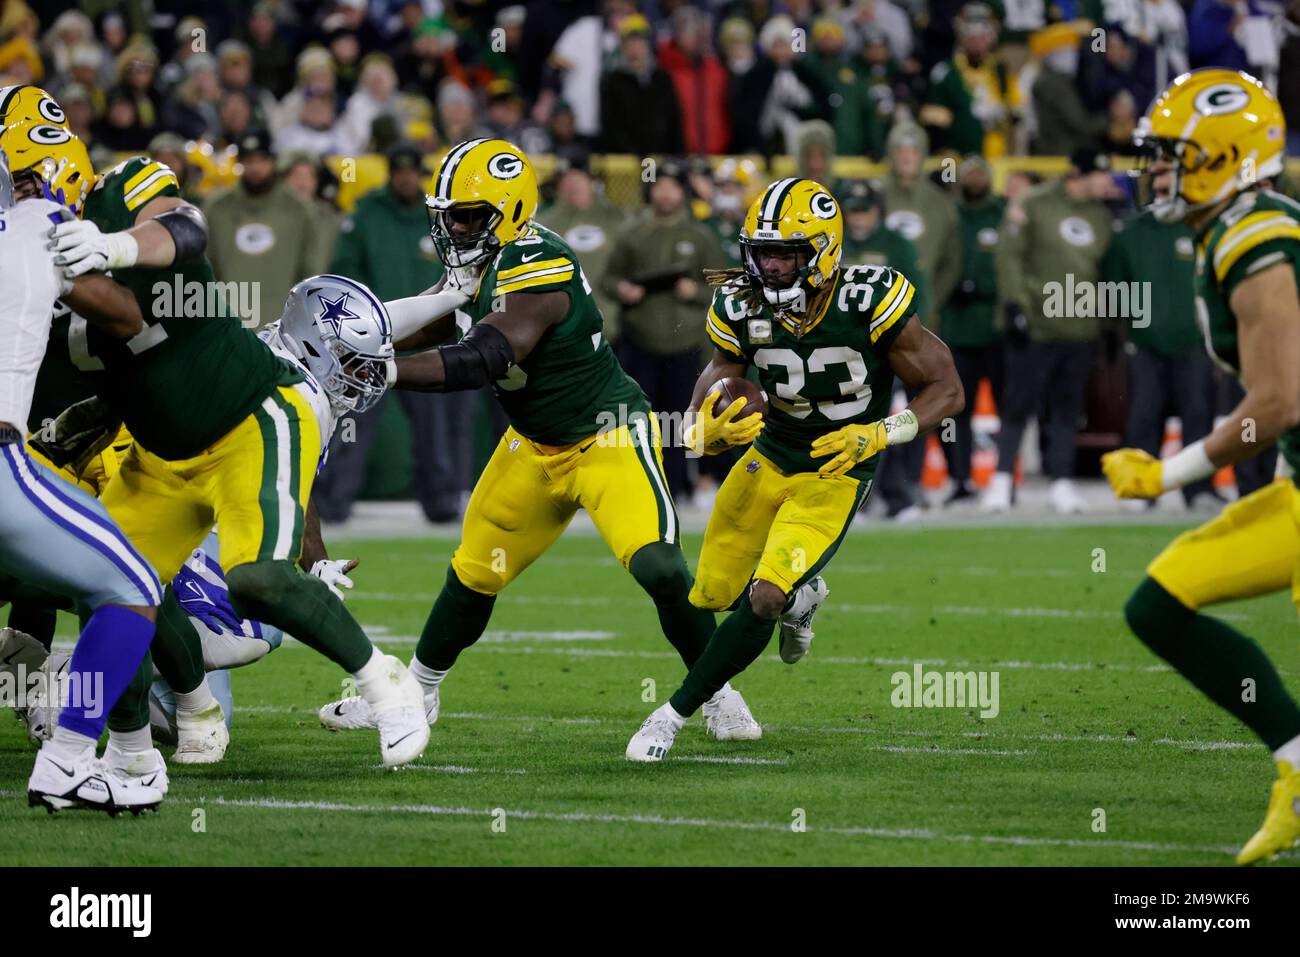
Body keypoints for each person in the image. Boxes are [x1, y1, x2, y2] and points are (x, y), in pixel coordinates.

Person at [317, 139, 760, 742]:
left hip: (605, 436)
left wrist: (383, 370)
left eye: (469, 215)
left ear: (512, 209)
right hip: (533, 444)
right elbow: (447, 319)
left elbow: (486, 354)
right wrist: (361, 346)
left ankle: (717, 693)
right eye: (449, 214)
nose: (454, 227)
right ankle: (417, 693)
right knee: (474, 574)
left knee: (659, 566)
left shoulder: (538, 260)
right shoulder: (478, 261)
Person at [44, 95, 432, 772]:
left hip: (249, 418)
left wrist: (111, 246)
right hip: (160, 458)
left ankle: (383, 680)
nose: (19, 196)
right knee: (105, 584)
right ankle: (129, 753)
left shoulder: (119, 194)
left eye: (25, 178)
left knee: (255, 577)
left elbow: (184, 225)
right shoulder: (37, 287)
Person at [625, 177, 963, 760]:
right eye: (762, 254)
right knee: (711, 597)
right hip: (769, 455)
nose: (772, 268)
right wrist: (702, 421)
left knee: (764, 597)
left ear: (824, 252)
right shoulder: (741, 302)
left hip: (837, 465)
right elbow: (719, 373)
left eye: (786, 255)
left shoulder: (867, 297)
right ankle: (802, 598)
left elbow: (947, 388)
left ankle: (672, 715)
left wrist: (882, 432)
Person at [1101, 68, 1300, 865]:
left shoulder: (1256, 234)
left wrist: (1168, 472)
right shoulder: (1236, 226)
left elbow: (1281, 398)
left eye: (1171, 154)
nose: (1156, 170)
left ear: (1222, 154)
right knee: (1158, 604)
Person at [0, 124, 164, 815]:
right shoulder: (42, 215)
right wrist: (109, 250)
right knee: (132, 586)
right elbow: (128, 317)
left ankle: (100, 740)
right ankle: (67, 758)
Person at [314, 143, 474, 525]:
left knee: (433, 430)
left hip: (430, 340)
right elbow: (345, 271)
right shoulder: (367, 214)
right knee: (352, 426)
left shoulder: (439, 217)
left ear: (418, 175)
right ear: (389, 173)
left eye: (411, 171)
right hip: (370, 342)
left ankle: (441, 504)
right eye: (398, 171)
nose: (405, 178)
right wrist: (358, 327)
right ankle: (332, 504)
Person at [982, 148, 1119, 514]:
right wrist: (1014, 306)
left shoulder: (1101, 216)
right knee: (1017, 405)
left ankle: (1061, 481)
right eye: (1099, 175)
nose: (1106, 183)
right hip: (1037, 326)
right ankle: (1000, 480)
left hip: (1080, 327)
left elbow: (1105, 270)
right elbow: (1009, 255)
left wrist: (1107, 320)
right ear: (1078, 174)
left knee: (1067, 408)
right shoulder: (1035, 203)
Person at [603, 159, 726, 500]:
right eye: (659, 186)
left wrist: (696, 292)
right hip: (639, 340)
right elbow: (609, 278)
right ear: (650, 190)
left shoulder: (700, 235)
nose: (666, 193)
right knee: (637, 419)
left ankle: (675, 487)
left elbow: (721, 284)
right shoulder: (632, 234)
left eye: (673, 186)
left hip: (683, 342)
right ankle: (635, 485)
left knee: (678, 421)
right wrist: (623, 290)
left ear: (682, 191)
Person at [1104, 208, 1218, 509]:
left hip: (1194, 341)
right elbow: (1114, 286)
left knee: (1197, 414)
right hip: (1144, 343)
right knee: (1144, 414)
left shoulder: (1201, 227)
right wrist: (1128, 326)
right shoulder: (1128, 233)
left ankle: (1199, 488)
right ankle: (1140, 488)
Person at [204, 129, 334, 329]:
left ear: (273, 161)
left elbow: (312, 272)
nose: (255, 167)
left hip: (284, 328)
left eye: (261, 160)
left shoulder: (299, 210)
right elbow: (206, 270)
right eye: (248, 160)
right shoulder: (216, 210)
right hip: (230, 326)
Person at [940, 156, 1006, 504]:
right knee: (954, 411)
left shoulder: (1004, 213)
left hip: (996, 328)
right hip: (956, 329)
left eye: (981, 172)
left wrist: (984, 285)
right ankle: (960, 479)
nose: (976, 179)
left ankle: (1005, 477)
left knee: (1007, 407)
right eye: (969, 174)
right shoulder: (951, 215)